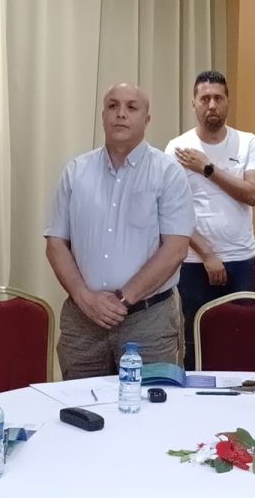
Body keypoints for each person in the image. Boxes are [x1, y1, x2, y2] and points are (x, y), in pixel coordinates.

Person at [45, 83, 194, 378]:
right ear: (103, 116)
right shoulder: (76, 172)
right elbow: (56, 244)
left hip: (148, 320)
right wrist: (85, 298)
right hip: (82, 320)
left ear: (146, 119)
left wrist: (122, 300)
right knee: (80, 404)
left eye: (131, 107)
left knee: (150, 404)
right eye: (113, 106)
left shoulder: (168, 173)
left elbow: (176, 249)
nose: (121, 114)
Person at [165, 70, 255, 366]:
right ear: (193, 103)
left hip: (241, 259)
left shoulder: (248, 142)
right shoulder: (177, 148)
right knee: (196, 344)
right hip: (195, 263)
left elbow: (253, 194)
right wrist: (208, 255)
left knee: (241, 344)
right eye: (205, 98)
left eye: (218, 98)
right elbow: (172, 212)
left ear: (228, 102)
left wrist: (208, 168)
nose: (212, 105)